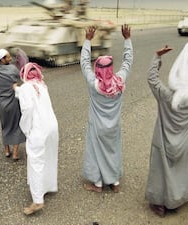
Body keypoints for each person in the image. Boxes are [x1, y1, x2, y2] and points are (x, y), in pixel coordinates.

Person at [145, 42, 188, 217]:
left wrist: (157, 56)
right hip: (184, 143)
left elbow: (152, 78)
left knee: (161, 169)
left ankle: (159, 204)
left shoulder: (166, 97)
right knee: (180, 170)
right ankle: (175, 200)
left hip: (163, 142)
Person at [80, 24, 133, 193]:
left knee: (96, 151)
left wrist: (88, 40)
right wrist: (127, 39)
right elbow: (127, 62)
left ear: (98, 69)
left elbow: (84, 64)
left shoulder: (93, 83)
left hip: (97, 126)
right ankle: (114, 182)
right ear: (110, 69)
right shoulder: (119, 81)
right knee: (113, 150)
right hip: (114, 126)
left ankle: (97, 184)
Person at [13, 62, 59, 215]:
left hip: (38, 130)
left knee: (36, 162)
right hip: (52, 127)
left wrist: (26, 129)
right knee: (49, 157)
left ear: (24, 75)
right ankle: (48, 186)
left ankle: (38, 200)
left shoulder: (26, 88)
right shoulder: (42, 85)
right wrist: (17, 90)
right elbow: (29, 93)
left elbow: (27, 108)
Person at [0, 49, 26, 161]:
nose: (10, 59)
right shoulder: (13, 69)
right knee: (16, 126)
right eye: (8, 57)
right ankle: (15, 153)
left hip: (1, 104)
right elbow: (20, 78)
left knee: (5, 126)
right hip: (13, 103)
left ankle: (6, 151)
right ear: (2, 59)